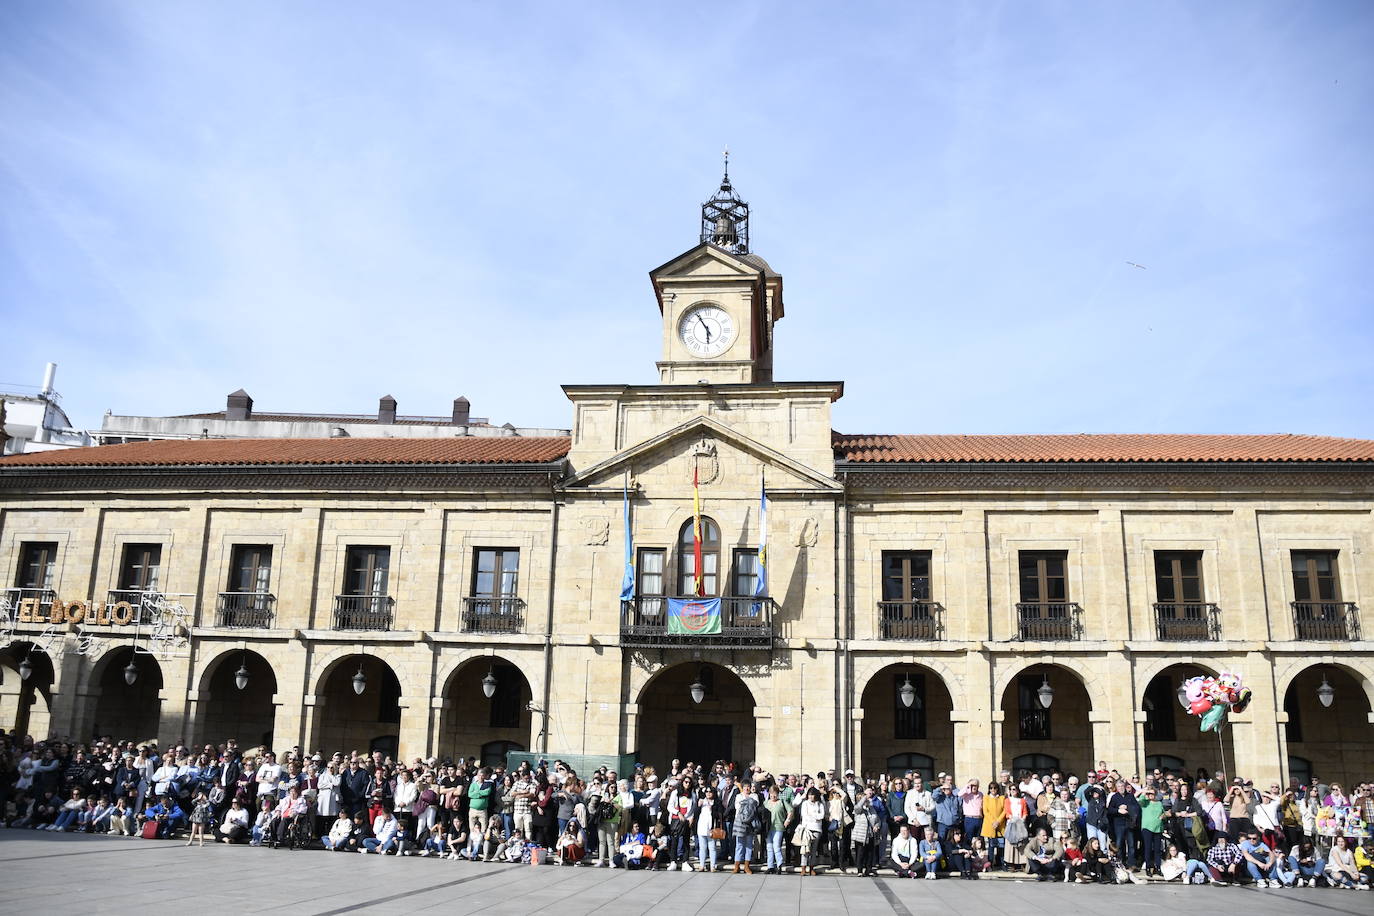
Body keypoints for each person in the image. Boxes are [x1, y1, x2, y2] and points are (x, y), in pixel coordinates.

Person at [762, 784, 790, 874]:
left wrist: (787, 820)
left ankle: (779, 864)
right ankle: (770, 866)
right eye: (771, 794)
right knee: (769, 847)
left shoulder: (781, 801)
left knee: (776, 846)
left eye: (775, 794)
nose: (773, 796)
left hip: (778, 827)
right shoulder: (766, 803)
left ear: (778, 794)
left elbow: (790, 810)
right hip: (768, 828)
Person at [797, 786, 824, 876]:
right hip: (807, 828)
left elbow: (821, 816)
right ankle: (803, 867)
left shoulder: (820, 804)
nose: (811, 797)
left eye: (813, 795)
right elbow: (804, 815)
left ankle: (812, 868)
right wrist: (815, 817)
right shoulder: (805, 804)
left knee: (814, 850)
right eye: (809, 795)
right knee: (805, 849)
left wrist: (813, 815)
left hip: (817, 829)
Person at [732, 782, 758, 874]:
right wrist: (747, 802)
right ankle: (737, 866)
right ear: (742, 788)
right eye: (745, 787)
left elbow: (754, 806)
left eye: (748, 787)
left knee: (748, 845)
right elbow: (737, 807)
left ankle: (747, 866)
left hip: (750, 823)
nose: (747, 788)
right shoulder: (739, 796)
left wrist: (745, 803)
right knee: (739, 845)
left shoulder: (754, 796)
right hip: (740, 822)